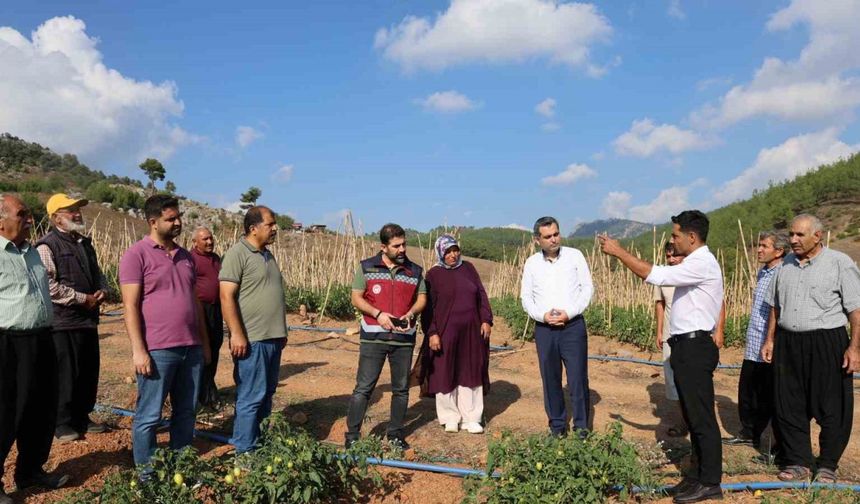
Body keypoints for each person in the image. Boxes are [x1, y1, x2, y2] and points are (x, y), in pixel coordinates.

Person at [599, 210, 724, 504]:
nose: (672, 240)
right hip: (684, 346)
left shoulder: (702, 263)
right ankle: (695, 477)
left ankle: (710, 482)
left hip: (695, 348)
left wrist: (619, 252)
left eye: (675, 235)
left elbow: (654, 274)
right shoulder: (694, 263)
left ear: (692, 238)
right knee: (693, 418)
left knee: (702, 418)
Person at [761, 215, 860, 484]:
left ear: (818, 236)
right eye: (791, 234)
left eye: (799, 235)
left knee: (832, 405)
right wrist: (770, 340)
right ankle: (798, 462)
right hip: (789, 341)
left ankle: (827, 464)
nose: (793, 240)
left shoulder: (839, 263)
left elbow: (855, 309)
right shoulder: (785, 266)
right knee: (788, 403)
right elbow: (775, 306)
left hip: (827, 342)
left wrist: (855, 347)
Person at [119, 195, 210, 473]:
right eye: (171, 219)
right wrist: (139, 350)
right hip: (158, 349)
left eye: (178, 216)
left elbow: (195, 303)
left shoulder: (185, 256)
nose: (178, 222)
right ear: (153, 222)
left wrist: (204, 344)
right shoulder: (136, 255)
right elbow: (130, 306)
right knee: (149, 415)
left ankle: (180, 467)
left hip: (191, 347)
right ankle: (147, 474)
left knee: (186, 412)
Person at [0, 194, 69, 503]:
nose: (29, 219)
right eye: (22, 214)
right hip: (8, 344)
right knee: (5, 413)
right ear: (1, 221)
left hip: (42, 338)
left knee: (41, 408)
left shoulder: (32, 252)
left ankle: (29, 471)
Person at [345, 223, 427, 450]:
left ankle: (395, 434)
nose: (402, 249)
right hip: (374, 337)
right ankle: (352, 436)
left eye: (404, 244)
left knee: (401, 389)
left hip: (403, 338)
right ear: (383, 247)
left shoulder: (415, 271)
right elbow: (357, 297)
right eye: (396, 246)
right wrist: (377, 314)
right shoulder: (367, 268)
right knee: (364, 388)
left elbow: (421, 298)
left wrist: (412, 313)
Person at [36, 194, 108, 443]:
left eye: (78, 209)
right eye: (71, 210)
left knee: (88, 372)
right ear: (56, 217)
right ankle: (62, 421)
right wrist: (81, 298)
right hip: (64, 322)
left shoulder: (85, 243)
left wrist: (103, 291)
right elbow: (49, 285)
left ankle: (82, 416)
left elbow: (99, 274)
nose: (78, 214)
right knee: (66, 374)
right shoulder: (47, 245)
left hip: (88, 320)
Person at [220, 206, 288, 454]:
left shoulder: (268, 255)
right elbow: (226, 296)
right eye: (270, 224)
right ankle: (245, 451)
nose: (275, 228)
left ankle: (259, 444)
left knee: (267, 393)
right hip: (252, 339)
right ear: (253, 228)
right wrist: (236, 334)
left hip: (272, 338)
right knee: (251, 396)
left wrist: (282, 331)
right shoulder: (237, 254)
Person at [520, 216, 593, 437]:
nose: (553, 240)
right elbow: (526, 298)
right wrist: (542, 316)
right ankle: (557, 426)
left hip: (572, 327)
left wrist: (568, 313)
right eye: (547, 236)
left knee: (577, 378)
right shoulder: (532, 263)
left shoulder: (575, 256)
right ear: (537, 240)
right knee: (550, 378)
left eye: (556, 234)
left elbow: (587, 289)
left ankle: (581, 428)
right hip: (545, 329)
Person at [722, 231, 787, 457]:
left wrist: (771, 340)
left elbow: (777, 311)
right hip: (754, 342)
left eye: (764, 246)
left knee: (768, 394)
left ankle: (771, 441)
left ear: (778, 251)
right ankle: (748, 432)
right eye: (758, 245)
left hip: (769, 344)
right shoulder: (763, 272)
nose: (758, 249)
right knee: (748, 390)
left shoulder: (783, 273)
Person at [420, 235, 493, 434]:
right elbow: (428, 309)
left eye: (455, 250)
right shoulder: (433, 275)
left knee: (470, 370)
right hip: (445, 332)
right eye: (448, 251)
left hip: (471, 330)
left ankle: (471, 417)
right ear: (440, 253)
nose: (453, 255)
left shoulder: (468, 268)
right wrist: (433, 332)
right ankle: (450, 417)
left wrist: (486, 319)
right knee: (445, 371)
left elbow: (481, 295)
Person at [653, 242, 686, 437]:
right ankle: (683, 421)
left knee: (689, 380)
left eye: (675, 255)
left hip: (689, 335)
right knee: (672, 380)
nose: (672, 259)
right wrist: (659, 332)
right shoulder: (663, 276)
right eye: (668, 256)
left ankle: (693, 421)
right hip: (669, 334)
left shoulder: (691, 273)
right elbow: (660, 305)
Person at [191, 226, 224, 409]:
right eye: (205, 239)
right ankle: (198, 393)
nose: (210, 242)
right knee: (202, 352)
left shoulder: (216, 259)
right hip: (199, 310)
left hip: (215, 309)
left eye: (211, 238)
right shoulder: (190, 259)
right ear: (195, 242)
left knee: (214, 346)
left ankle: (208, 390)